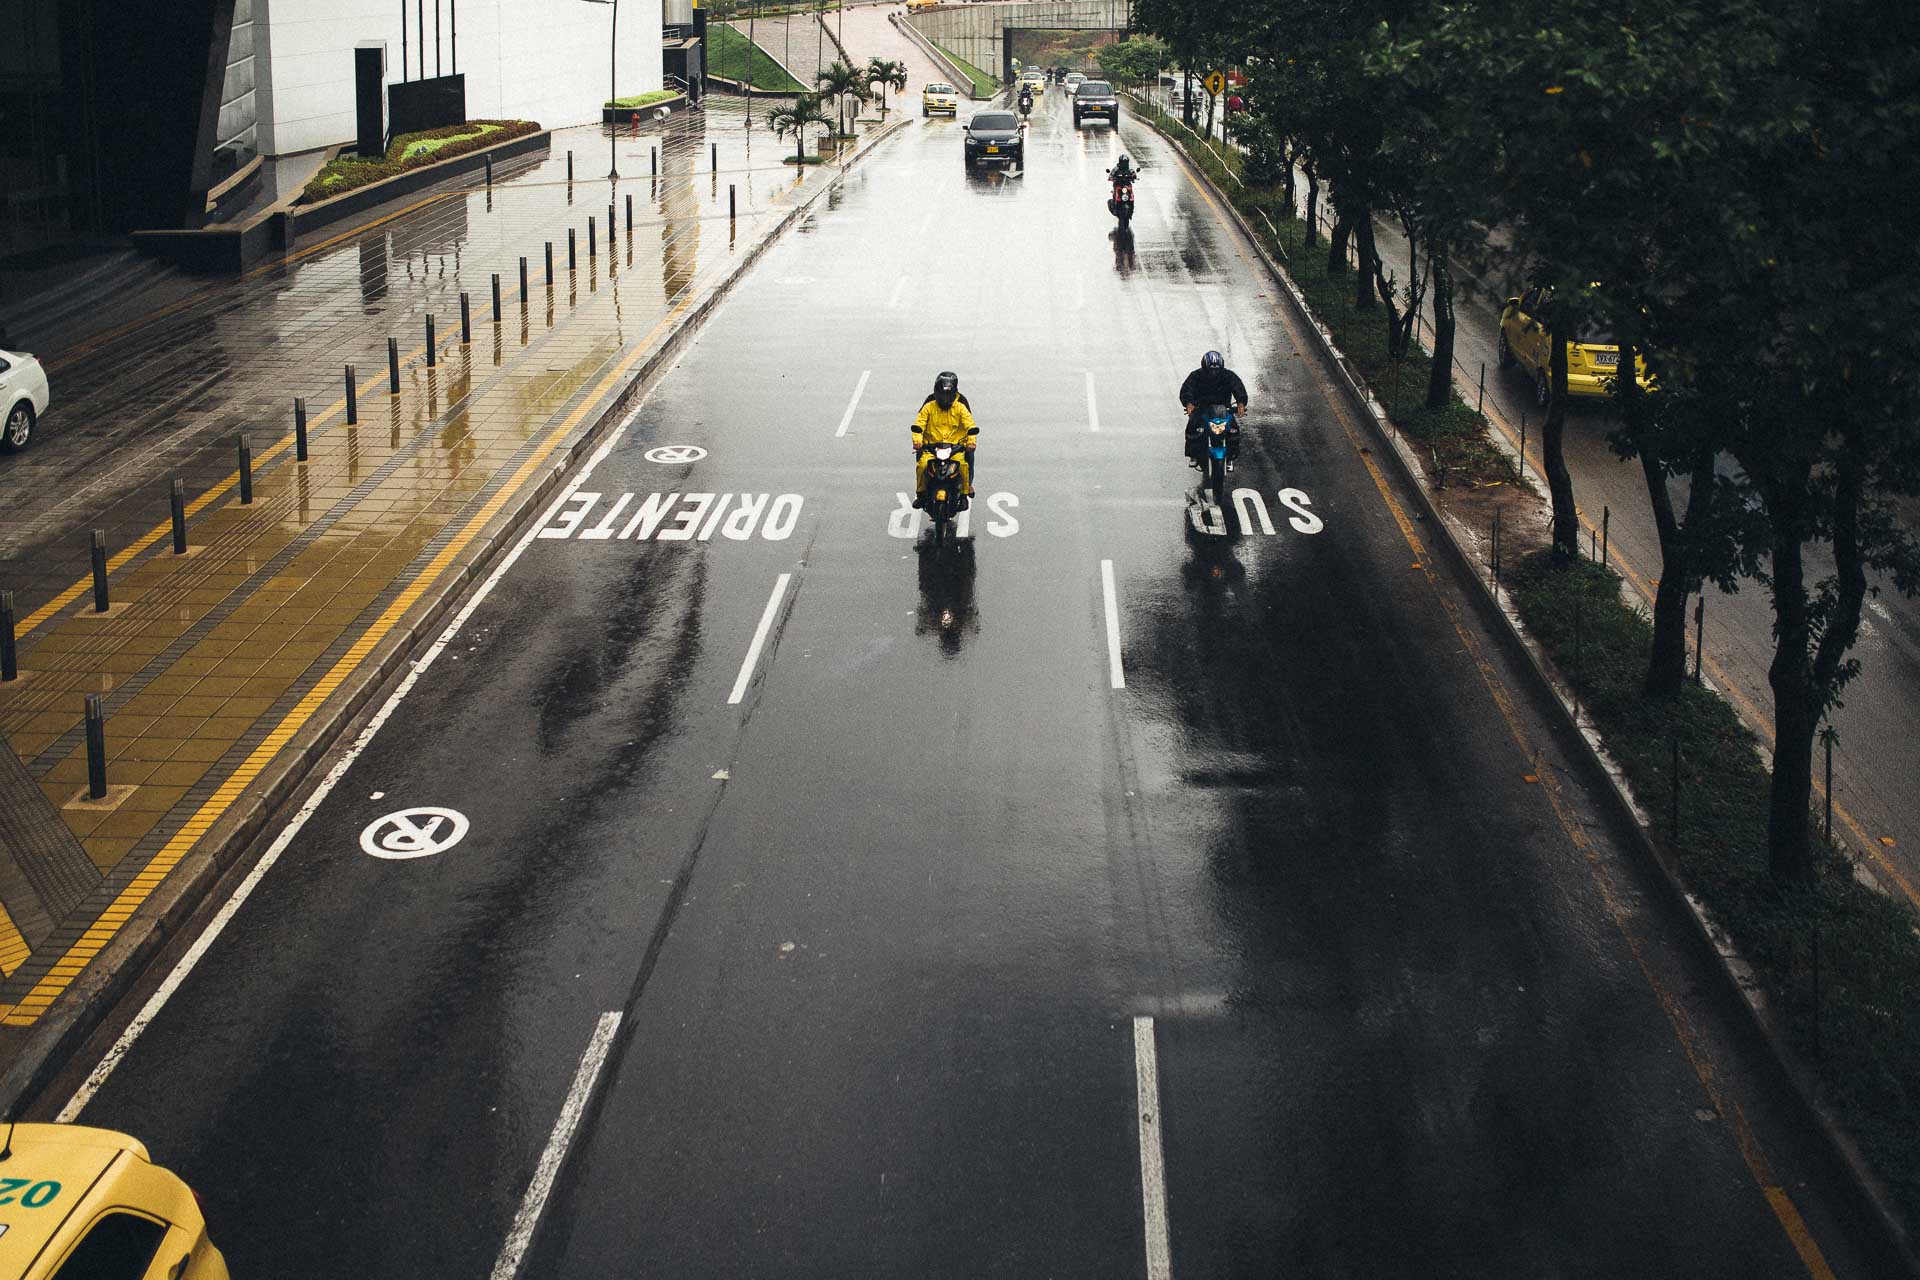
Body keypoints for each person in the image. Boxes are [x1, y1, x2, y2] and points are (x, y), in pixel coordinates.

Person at [911, 372, 977, 508]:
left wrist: (971, 442)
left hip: (955, 447)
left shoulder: (960, 406)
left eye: (948, 396)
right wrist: (917, 441)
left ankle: (964, 494)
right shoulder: (929, 406)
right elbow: (919, 424)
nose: (945, 399)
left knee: (963, 465)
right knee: (922, 465)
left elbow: (970, 425)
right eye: (942, 395)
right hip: (932, 446)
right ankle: (921, 494)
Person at [1179, 350, 1249, 468]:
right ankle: (1194, 455)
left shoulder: (1228, 376)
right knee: (1193, 427)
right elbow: (1187, 390)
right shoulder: (1195, 376)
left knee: (1233, 429)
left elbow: (1238, 387)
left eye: (1216, 370)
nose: (1214, 373)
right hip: (1201, 408)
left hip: (1223, 408)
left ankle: (1231, 455)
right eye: (1211, 370)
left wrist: (1241, 403)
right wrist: (1189, 403)